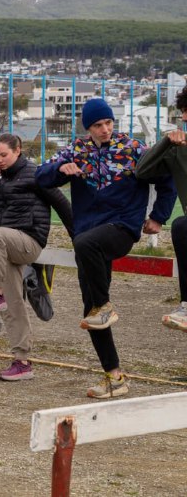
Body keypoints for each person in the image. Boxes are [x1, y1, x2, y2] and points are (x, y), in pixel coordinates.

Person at [36, 97, 176, 398]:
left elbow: (167, 181)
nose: (105, 129)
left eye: (108, 123)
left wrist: (158, 217)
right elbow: (41, 176)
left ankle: (106, 306)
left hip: (121, 228)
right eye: (98, 125)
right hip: (89, 237)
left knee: (88, 259)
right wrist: (63, 169)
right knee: (90, 310)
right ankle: (115, 378)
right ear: (88, 127)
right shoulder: (77, 150)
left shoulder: (133, 150)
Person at [0, 134, 73, 381]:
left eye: (4, 155)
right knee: (12, 305)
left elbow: (63, 206)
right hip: (5, 245)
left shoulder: (35, 174)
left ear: (18, 150)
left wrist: (80, 240)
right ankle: (22, 362)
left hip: (29, 241)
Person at [136, 83, 187, 333]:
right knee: (182, 226)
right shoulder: (179, 150)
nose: (185, 116)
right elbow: (142, 170)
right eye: (183, 111)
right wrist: (166, 142)